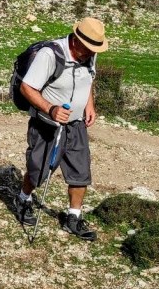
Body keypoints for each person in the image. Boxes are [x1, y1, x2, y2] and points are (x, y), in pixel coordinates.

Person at [13, 16, 108, 241]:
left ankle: (73, 217)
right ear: (75, 40)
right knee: (39, 170)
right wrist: (51, 109)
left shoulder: (89, 56)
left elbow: (89, 80)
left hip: (76, 124)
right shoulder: (50, 55)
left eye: (94, 50)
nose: (90, 54)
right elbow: (27, 87)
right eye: (87, 49)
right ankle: (23, 198)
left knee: (80, 172)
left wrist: (89, 105)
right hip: (48, 123)